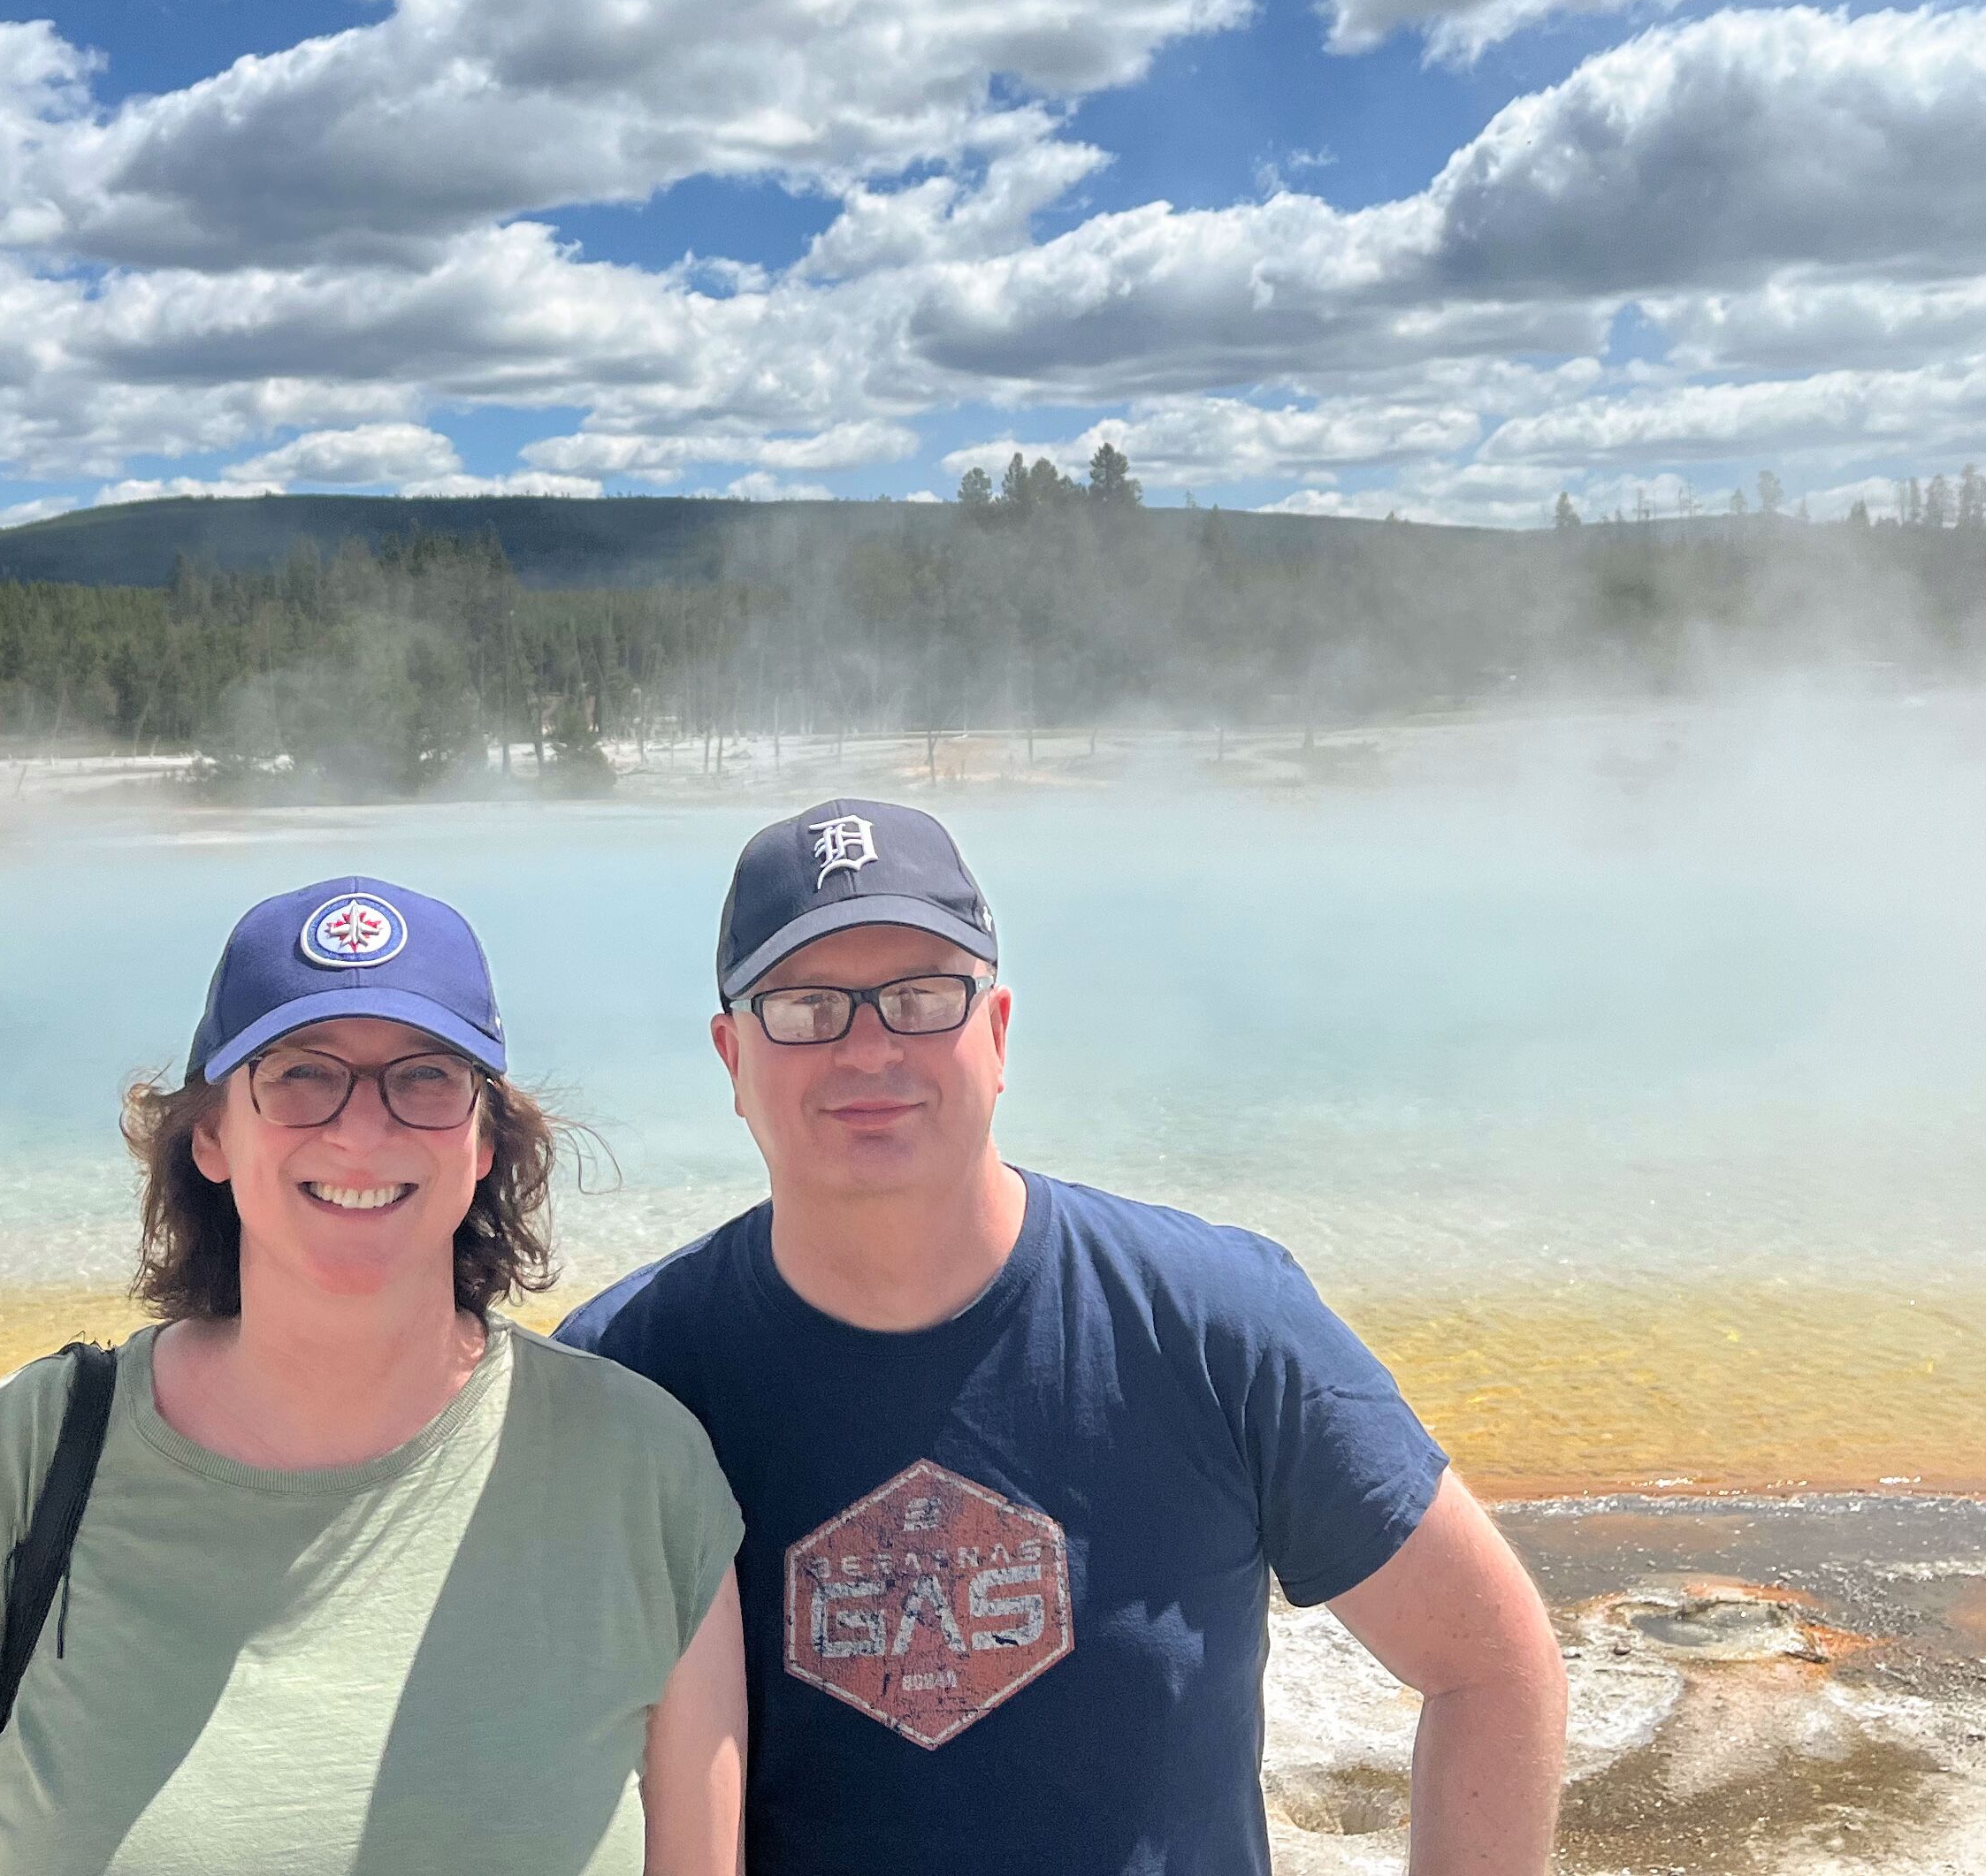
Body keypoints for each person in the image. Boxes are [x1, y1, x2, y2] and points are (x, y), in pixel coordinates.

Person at [557, 801, 1567, 1875]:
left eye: (919, 998)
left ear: (994, 1035)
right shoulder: (630, 1373)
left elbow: (1492, 1667)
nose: (868, 1049)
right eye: (806, 1008)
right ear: (731, 1057)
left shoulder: (1215, 1322)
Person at [0, 876, 747, 1876]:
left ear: (483, 1140)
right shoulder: (33, 1453)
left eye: (424, 1077)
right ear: (211, 1134)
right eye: (302, 1074)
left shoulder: (637, 1469)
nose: (360, 1131)